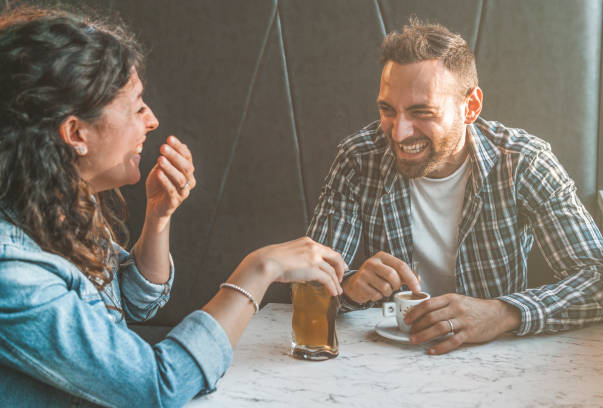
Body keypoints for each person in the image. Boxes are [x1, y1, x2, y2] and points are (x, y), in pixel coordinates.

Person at [0, 6, 345, 407]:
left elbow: (133, 301)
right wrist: (259, 270)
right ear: (76, 133)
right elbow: (157, 387)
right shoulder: (12, 272)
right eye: (137, 106)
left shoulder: (53, 210)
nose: (152, 120)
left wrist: (158, 216)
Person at [308, 18, 603, 355]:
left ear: (470, 107)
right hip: (385, 357)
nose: (399, 132)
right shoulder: (357, 159)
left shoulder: (524, 162)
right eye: (387, 110)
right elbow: (309, 281)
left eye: (421, 112)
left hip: (496, 359)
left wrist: (501, 313)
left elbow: (600, 280)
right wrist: (349, 286)